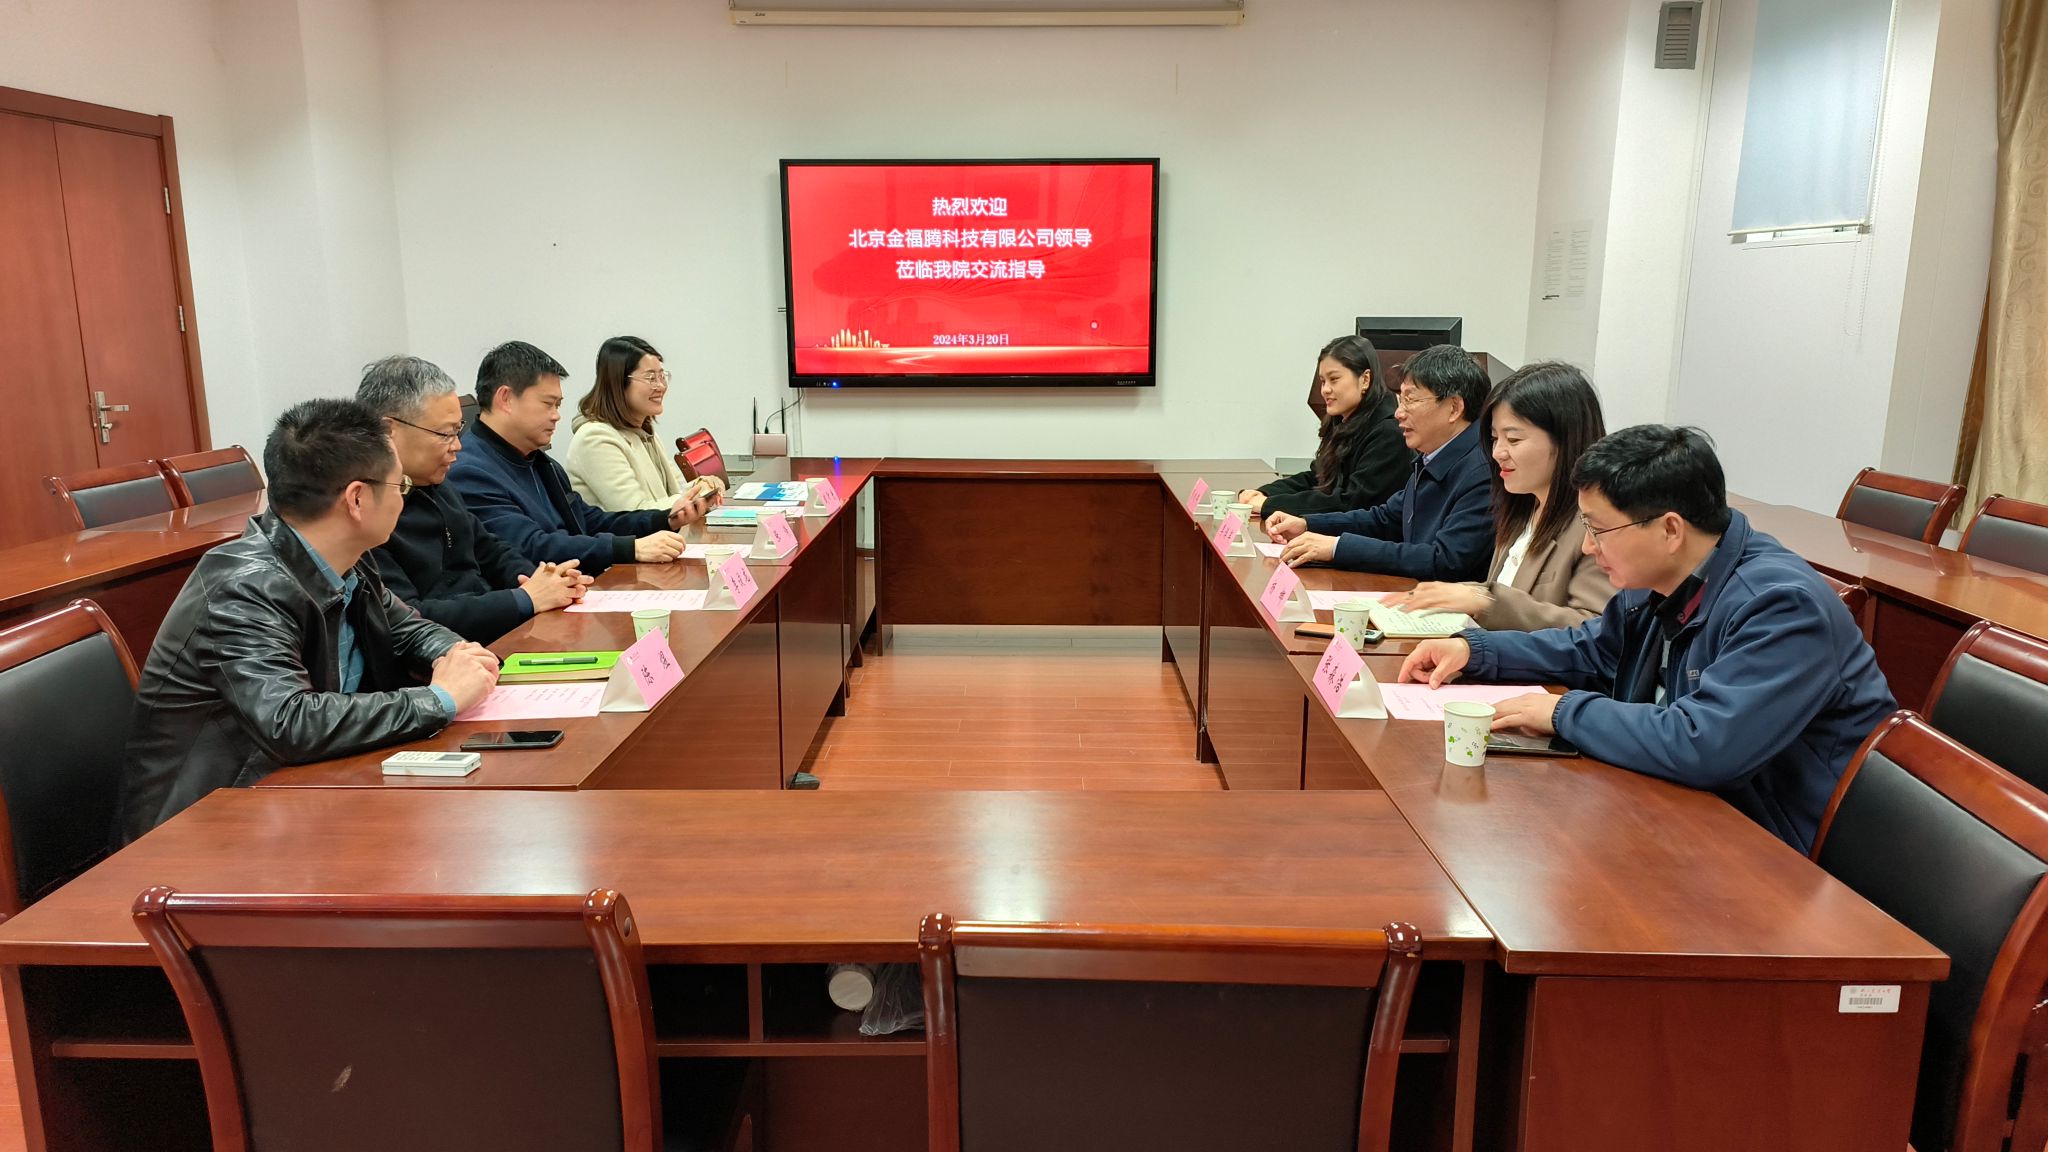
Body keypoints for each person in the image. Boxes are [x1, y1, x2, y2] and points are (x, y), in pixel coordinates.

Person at [1397, 425, 1896, 853]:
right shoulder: (1662, 578)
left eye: (1598, 529)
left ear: (1670, 530)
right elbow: (1591, 650)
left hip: (1780, 853)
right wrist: (1476, 650)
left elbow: (1706, 743)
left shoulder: (1780, 607)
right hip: (1687, 812)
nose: (1588, 548)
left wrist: (1562, 712)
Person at [114, 399, 500, 845]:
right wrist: (439, 699)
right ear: (357, 499)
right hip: (202, 832)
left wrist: (457, 657)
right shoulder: (243, 588)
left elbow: (407, 628)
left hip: (303, 795)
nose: (404, 497)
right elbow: (289, 722)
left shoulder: (347, 557)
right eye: (401, 485)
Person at [359, 355, 594, 643]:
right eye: (445, 434)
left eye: (458, 431)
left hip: (497, 636)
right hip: (447, 654)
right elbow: (408, 619)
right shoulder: (363, 511)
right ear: (388, 430)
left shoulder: (437, 484)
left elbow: (491, 550)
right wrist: (525, 599)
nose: (457, 446)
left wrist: (544, 581)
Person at [1382, 362, 1614, 629]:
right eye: (1494, 439)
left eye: (1513, 440)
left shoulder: (1595, 526)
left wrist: (1485, 601)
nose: (1497, 453)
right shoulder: (1521, 507)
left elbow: (1595, 628)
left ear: (1565, 440)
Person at [447, 340, 714, 572]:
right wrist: (630, 548)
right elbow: (531, 546)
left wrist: (665, 519)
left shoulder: (540, 461)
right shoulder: (470, 471)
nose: (556, 416)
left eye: (558, 405)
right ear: (505, 398)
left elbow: (587, 520)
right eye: (548, 404)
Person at [1264, 344, 1494, 581]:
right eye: (1400, 400)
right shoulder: (1431, 457)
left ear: (1454, 408)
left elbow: (1444, 561)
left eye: (1410, 400)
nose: (1398, 413)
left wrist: (1337, 548)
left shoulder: (1482, 472)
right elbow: (1385, 519)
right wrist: (1307, 524)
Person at [1234, 335, 1411, 517]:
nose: (1325, 389)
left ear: (1365, 379)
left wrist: (1269, 505)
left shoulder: (1388, 433)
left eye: (1334, 379)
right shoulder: (1342, 421)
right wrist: (1265, 493)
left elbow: (1350, 503)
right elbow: (1317, 478)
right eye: (1323, 381)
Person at [567, 336, 724, 512]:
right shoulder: (595, 439)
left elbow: (676, 488)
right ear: (618, 382)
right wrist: (697, 496)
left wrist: (704, 485)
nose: (661, 386)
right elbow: (635, 513)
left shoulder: (644, 432)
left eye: (662, 376)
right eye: (651, 378)